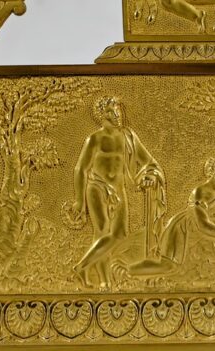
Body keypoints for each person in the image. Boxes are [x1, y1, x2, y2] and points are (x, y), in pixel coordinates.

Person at [68, 97, 162, 289]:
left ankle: (81, 267)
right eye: (111, 111)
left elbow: (148, 161)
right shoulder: (95, 139)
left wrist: (149, 175)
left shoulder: (128, 136)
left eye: (118, 109)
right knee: (102, 232)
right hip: (97, 187)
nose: (117, 114)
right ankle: (105, 281)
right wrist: (79, 200)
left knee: (119, 234)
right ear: (101, 115)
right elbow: (81, 169)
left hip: (118, 190)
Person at [129, 153, 215, 276]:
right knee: (169, 267)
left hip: (207, 232)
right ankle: (127, 271)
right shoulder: (200, 192)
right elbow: (201, 224)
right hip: (181, 231)